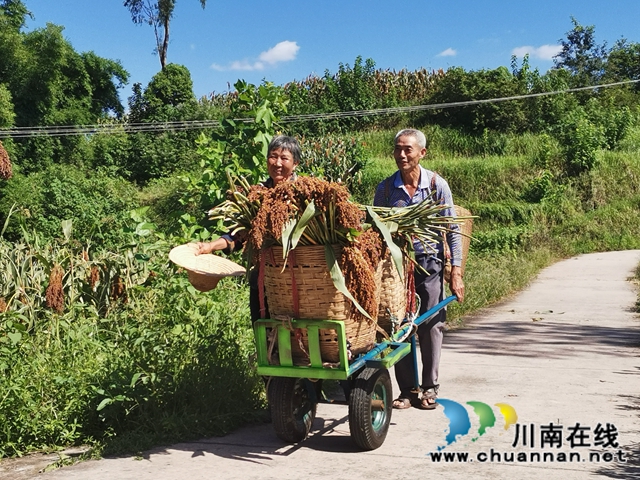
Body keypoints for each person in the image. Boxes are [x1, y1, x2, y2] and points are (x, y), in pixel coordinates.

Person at [373, 128, 465, 410]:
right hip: (398, 269)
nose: (401, 154)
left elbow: (452, 230)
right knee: (399, 326)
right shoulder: (386, 189)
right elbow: (378, 232)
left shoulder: (437, 186)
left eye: (407, 149)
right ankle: (407, 390)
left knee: (431, 326)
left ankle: (430, 387)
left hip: (430, 264)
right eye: (397, 149)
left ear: (421, 153)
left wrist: (456, 271)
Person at [191, 134, 301, 322]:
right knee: (265, 340)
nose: (278, 163)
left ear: (295, 164)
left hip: (296, 281)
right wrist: (209, 247)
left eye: (284, 158)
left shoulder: (303, 195)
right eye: (273, 156)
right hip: (262, 283)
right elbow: (237, 234)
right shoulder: (256, 196)